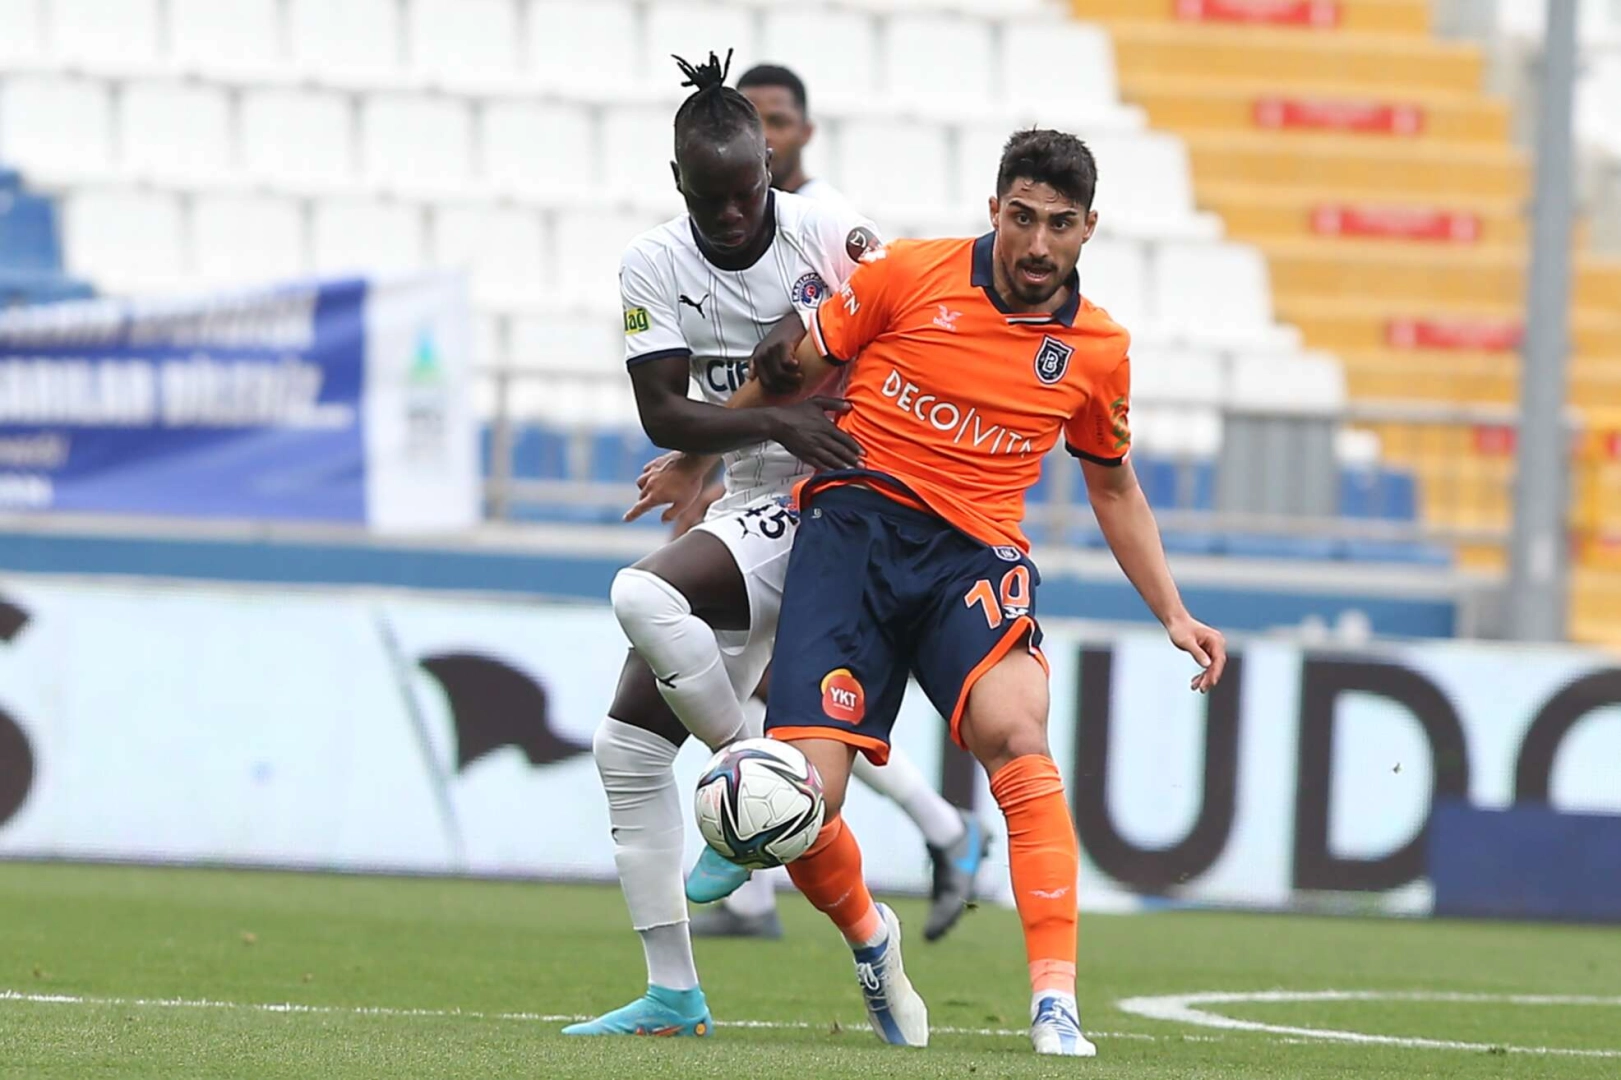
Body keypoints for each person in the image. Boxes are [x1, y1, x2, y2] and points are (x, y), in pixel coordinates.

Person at [706, 129, 1229, 1054]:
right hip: (854, 534)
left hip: (971, 559)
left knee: (1018, 733)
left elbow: (1112, 485)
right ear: (993, 209)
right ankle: (871, 939)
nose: (1037, 242)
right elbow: (793, 368)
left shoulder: (1097, 349)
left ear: (1088, 228)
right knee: (802, 800)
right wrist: (694, 455)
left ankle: (1056, 1003)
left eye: (1059, 224)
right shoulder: (908, 274)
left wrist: (1174, 612)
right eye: (1021, 217)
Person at [561, 51, 871, 1039]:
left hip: (837, 498)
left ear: (770, 168)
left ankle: (750, 773)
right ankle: (675, 993)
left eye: (746, 193)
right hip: (753, 494)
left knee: (643, 596)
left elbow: (909, 323)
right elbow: (662, 412)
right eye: (710, 199)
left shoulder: (830, 234)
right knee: (624, 748)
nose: (732, 215)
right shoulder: (653, 263)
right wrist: (757, 431)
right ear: (677, 182)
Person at [666, 61, 989, 945]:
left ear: (798, 137)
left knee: (775, 688)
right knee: (758, 685)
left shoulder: (824, 225)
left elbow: (873, 325)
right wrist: (711, 468)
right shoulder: (723, 234)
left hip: (838, 480)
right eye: (754, 118)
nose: (766, 134)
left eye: (778, 120)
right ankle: (783, 878)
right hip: (771, 478)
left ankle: (932, 832)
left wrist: (703, 458)